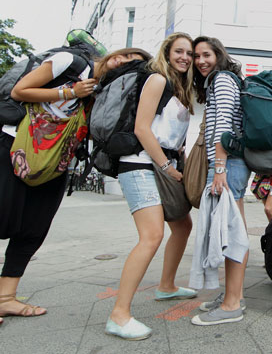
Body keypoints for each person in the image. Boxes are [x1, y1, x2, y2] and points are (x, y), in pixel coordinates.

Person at [0, 43, 132, 325]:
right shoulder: (69, 62)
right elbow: (19, 91)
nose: (122, 63)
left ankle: (6, 298)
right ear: (113, 54)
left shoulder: (100, 91)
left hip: (56, 158)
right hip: (14, 146)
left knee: (35, 226)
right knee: (3, 215)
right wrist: (70, 91)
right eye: (125, 57)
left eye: (130, 65)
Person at [105, 33, 197, 340]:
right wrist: (167, 166)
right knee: (151, 235)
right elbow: (141, 128)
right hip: (139, 164)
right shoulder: (157, 80)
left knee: (182, 225)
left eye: (189, 53)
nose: (185, 57)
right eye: (179, 51)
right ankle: (119, 314)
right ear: (167, 53)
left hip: (159, 162)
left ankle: (167, 285)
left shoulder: (181, 88)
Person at [190, 36, 251, 326]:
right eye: (196, 56)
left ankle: (230, 306)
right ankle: (234, 295)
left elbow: (224, 124)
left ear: (219, 55)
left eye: (206, 55)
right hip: (229, 161)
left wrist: (219, 166)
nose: (201, 61)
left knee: (231, 232)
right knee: (233, 228)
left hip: (229, 161)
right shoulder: (220, 80)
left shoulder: (223, 80)